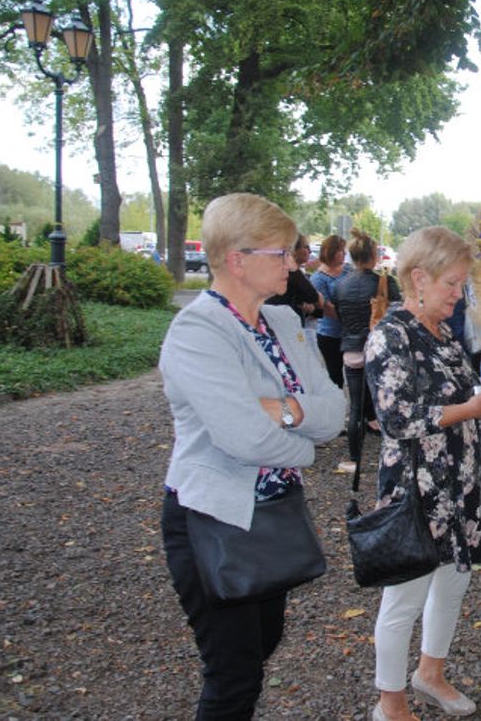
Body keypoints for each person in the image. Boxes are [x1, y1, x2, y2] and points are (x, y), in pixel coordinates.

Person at [158, 193, 346, 719]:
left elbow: (335, 411)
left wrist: (281, 409)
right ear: (237, 260)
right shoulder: (198, 332)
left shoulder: (283, 324)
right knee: (233, 674)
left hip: (272, 515)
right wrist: (304, 445)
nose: (294, 263)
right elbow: (242, 437)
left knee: (260, 648)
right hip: (213, 520)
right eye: (281, 253)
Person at [364, 226, 481, 721]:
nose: (460, 295)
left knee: (452, 585)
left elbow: (469, 396)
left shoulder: (445, 333)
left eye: (462, 285)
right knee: (404, 600)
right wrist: (468, 407)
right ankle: (390, 703)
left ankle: (429, 674)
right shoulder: (389, 337)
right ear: (419, 278)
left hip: (460, 484)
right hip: (417, 490)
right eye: (452, 284)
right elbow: (396, 418)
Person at [333, 227, 402, 476]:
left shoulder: (340, 285)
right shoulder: (384, 282)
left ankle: (354, 458)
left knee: (355, 408)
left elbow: (338, 314)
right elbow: (397, 313)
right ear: (373, 255)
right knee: (385, 404)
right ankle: (390, 455)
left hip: (350, 350)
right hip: (378, 351)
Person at [310, 234, 352, 388]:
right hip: (330, 334)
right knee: (335, 377)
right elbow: (325, 308)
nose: (344, 254)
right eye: (341, 251)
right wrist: (348, 318)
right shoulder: (318, 278)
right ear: (331, 252)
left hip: (350, 333)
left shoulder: (348, 270)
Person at [265, 234, 322, 323]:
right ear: (294, 250)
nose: (310, 251)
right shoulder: (289, 274)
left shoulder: (296, 274)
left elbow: (318, 310)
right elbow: (314, 297)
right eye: (306, 247)